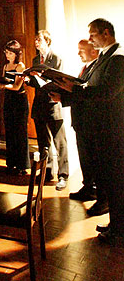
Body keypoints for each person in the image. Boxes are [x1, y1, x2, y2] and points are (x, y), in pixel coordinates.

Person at [56, 19, 124, 246]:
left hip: (113, 128)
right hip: (102, 127)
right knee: (109, 179)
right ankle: (115, 223)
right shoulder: (105, 56)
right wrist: (67, 93)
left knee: (116, 182)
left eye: (93, 35)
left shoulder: (118, 58)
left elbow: (105, 92)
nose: (91, 40)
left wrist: (72, 90)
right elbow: (89, 86)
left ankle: (119, 229)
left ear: (106, 33)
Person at [53, 40, 100, 204]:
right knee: (85, 158)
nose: (79, 53)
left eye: (82, 50)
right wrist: (62, 97)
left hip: (89, 121)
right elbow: (79, 94)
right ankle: (87, 187)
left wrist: (68, 92)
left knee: (93, 159)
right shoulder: (86, 68)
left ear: (94, 52)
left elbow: (89, 96)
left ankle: (95, 192)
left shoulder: (97, 68)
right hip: (80, 121)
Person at [28, 30, 69, 190]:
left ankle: (63, 176)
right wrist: (29, 79)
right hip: (39, 104)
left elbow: (60, 80)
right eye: (35, 40)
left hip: (53, 104)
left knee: (60, 142)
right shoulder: (35, 59)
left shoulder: (56, 59)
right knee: (43, 142)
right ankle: (48, 171)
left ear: (47, 41)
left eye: (39, 40)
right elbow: (35, 82)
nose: (36, 43)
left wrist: (42, 78)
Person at [0, 40, 30, 174]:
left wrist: (2, 86)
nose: (7, 55)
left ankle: (22, 166)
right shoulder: (5, 66)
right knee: (10, 131)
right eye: (6, 53)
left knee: (20, 132)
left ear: (16, 53)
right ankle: (11, 163)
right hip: (9, 100)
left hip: (19, 100)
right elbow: (4, 81)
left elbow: (16, 86)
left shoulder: (20, 66)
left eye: (10, 53)